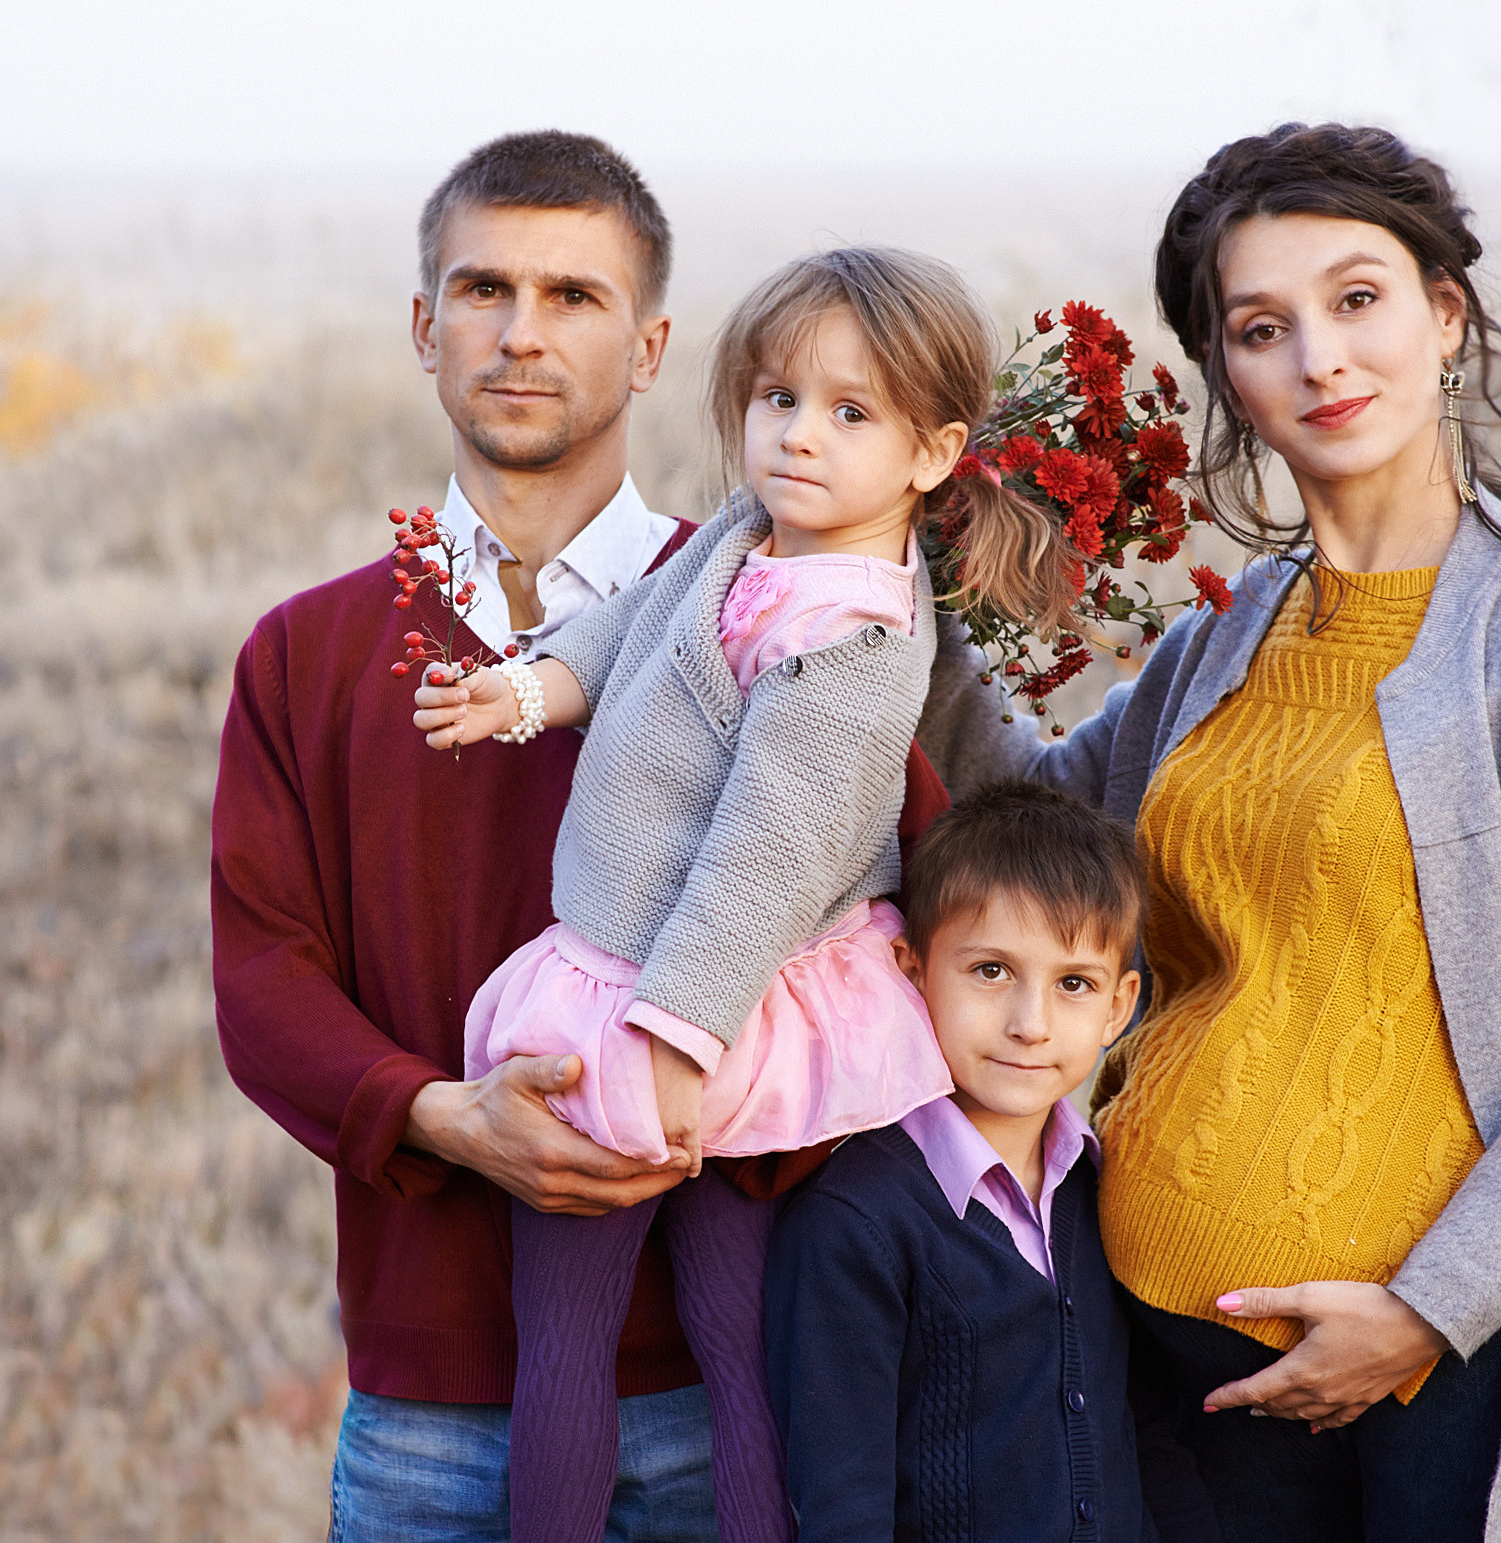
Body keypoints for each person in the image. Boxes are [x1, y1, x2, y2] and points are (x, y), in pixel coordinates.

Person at [913, 122, 1501, 1542]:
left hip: (1450, 1372)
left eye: (1357, 298)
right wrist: (905, 568)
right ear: (1229, 381)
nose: (1321, 357)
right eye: (1264, 326)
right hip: (1159, 1359)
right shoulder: (1224, 638)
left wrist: (1427, 1309)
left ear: (1444, 316)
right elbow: (1017, 813)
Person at [212, 131, 945, 1542]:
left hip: (733, 1390)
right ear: (427, 327)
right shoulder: (305, 654)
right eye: (484, 290)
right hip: (431, 1411)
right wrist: (450, 1119)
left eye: (575, 295)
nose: (522, 333)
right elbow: (262, 976)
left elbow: (889, 883)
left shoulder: (784, 604)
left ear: (654, 342)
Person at [412, 247, 1082, 1543]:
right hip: (621, 964)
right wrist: (536, 686)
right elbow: (642, 623)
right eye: (778, 398)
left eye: (850, 413)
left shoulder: (856, 644)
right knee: (572, 1339)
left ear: (933, 452)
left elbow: (764, 856)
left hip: (716, 1006)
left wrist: (674, 1036)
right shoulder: (745, 535)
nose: (797, 437)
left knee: (725, 1343)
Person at [759, 781, 1154, 1542]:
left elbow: (1148, 1433)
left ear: (1119, 1004)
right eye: (991, 970)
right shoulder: (854, 1221)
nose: (1030, 1024)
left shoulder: (1105, 1187)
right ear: (911, 969)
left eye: (1073, 983)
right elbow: (844, 1500)